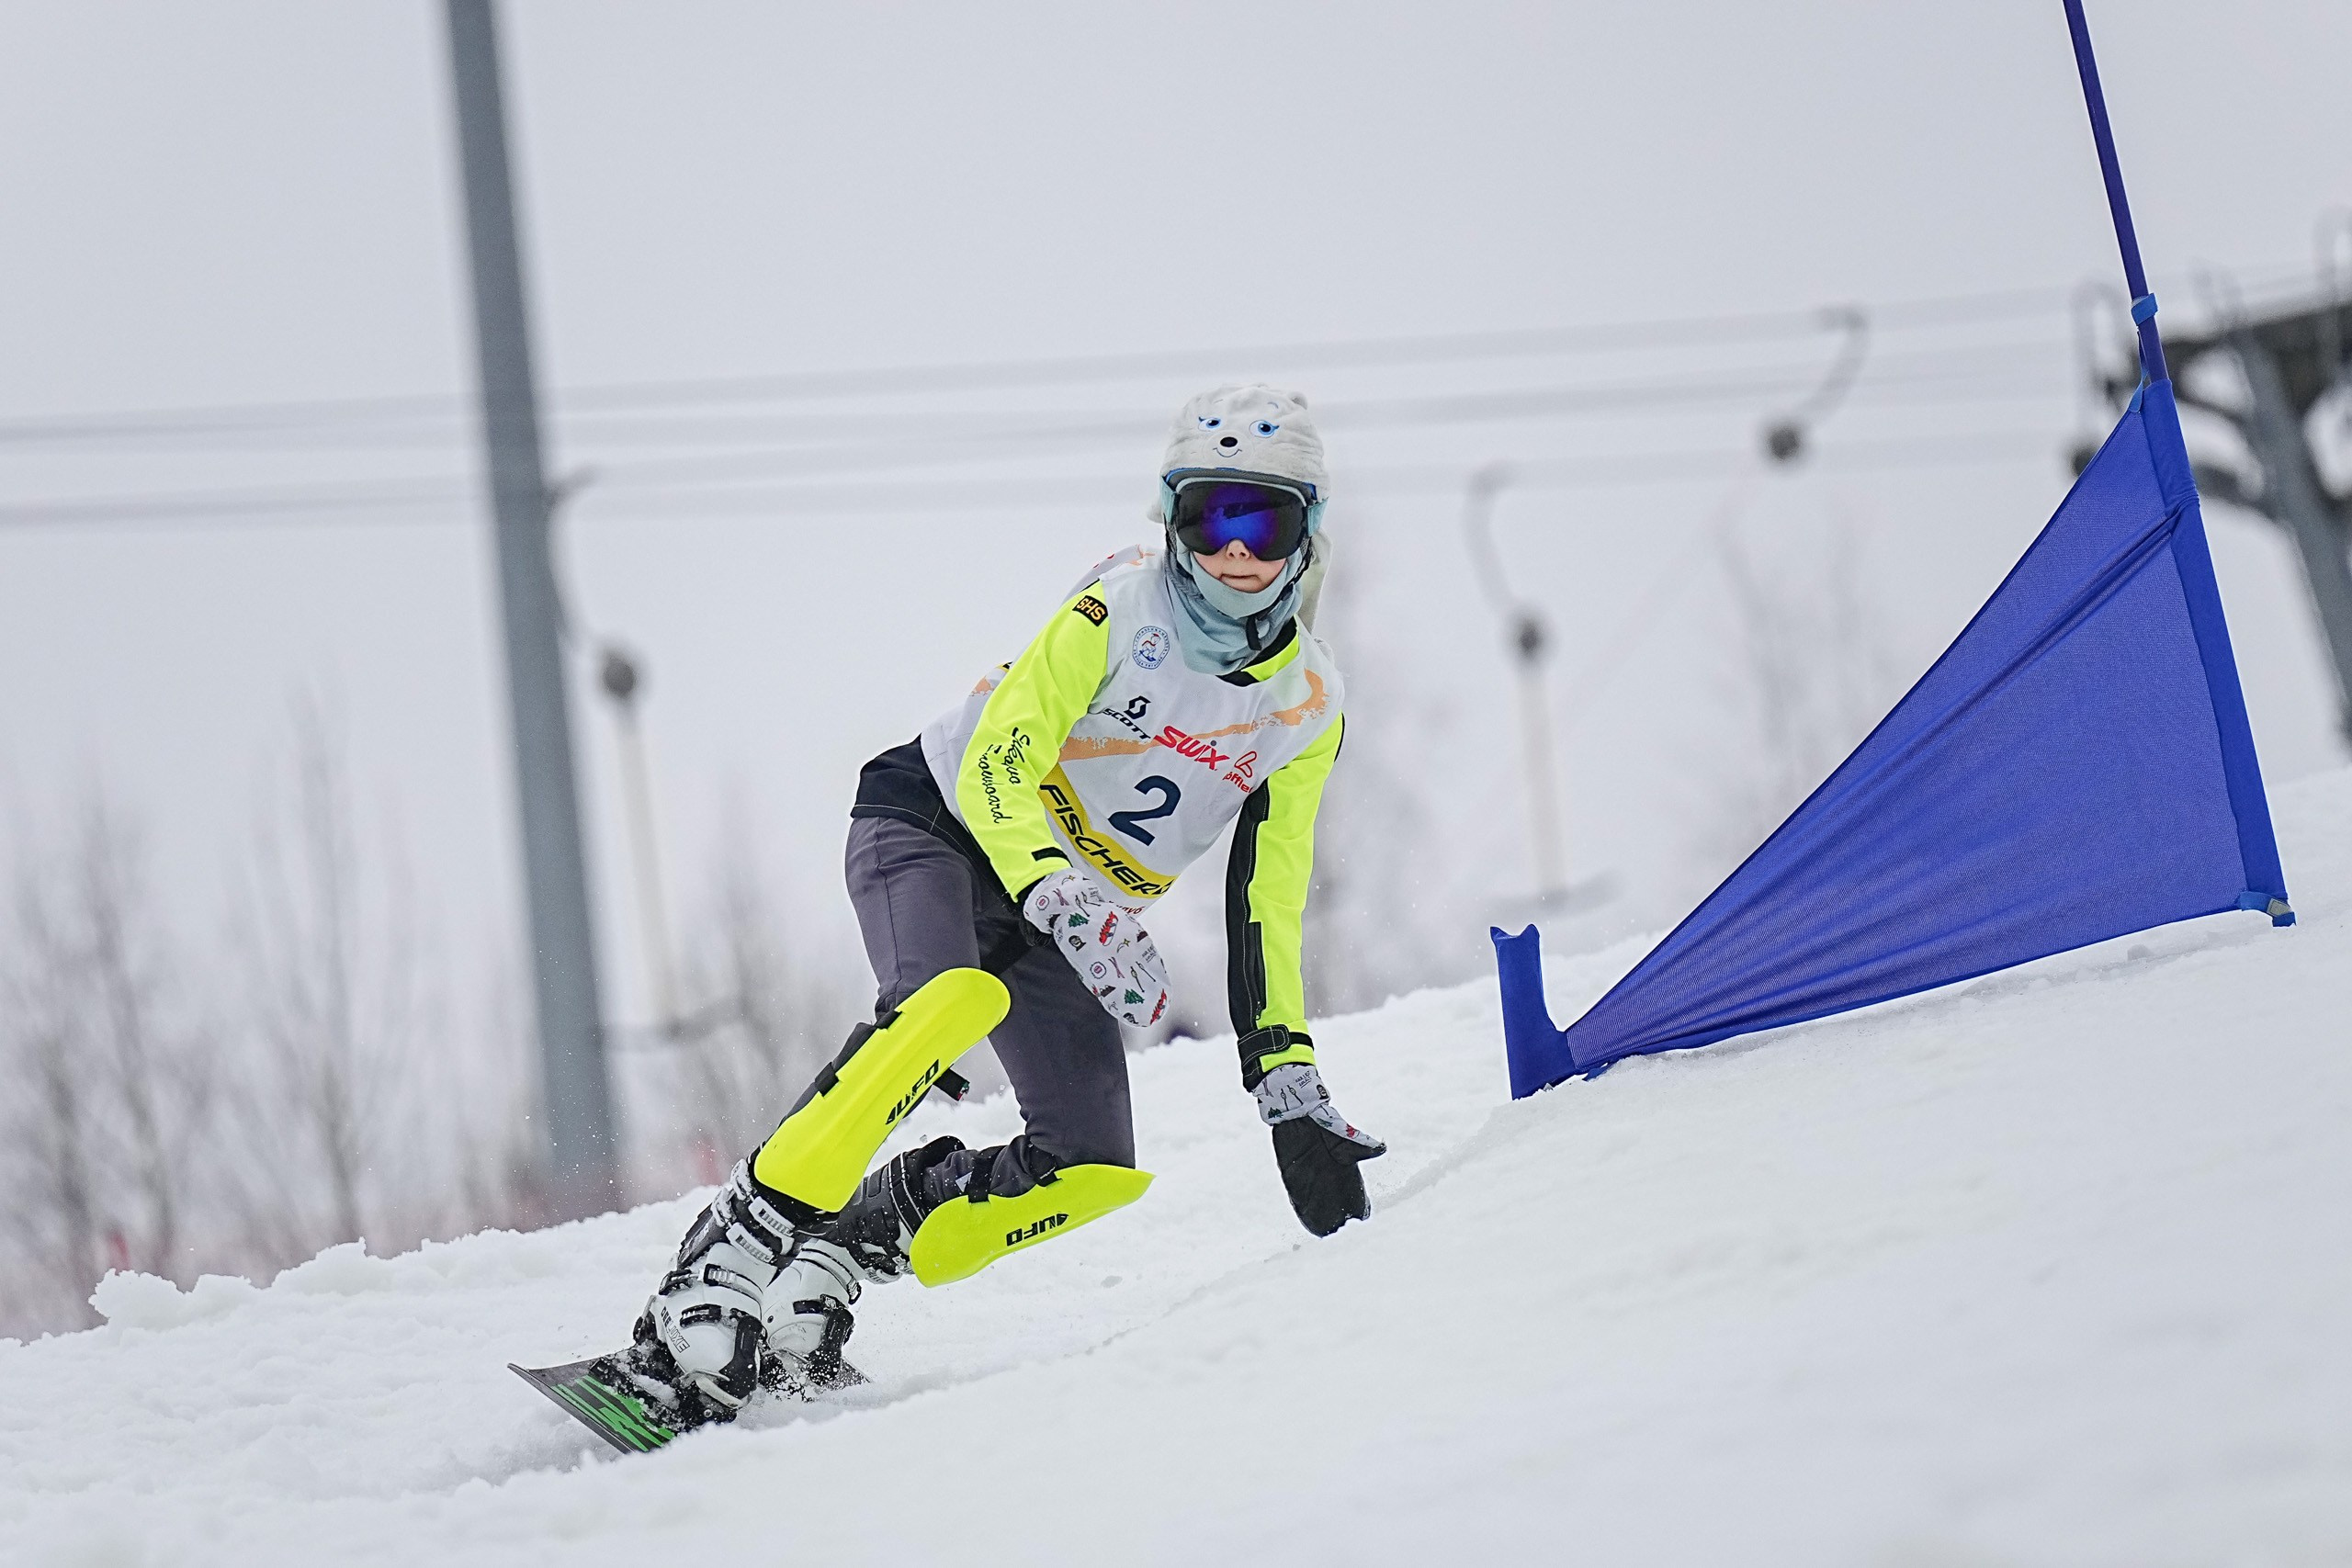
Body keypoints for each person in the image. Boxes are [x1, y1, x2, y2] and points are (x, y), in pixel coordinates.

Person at [622, 384, 1385, 1427]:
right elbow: (999, 757)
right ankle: (724, 1263)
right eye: (1211, 516)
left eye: (1268, 519)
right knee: (945, 1004)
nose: (1235, 552)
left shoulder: (1307, 704)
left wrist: (1285, 1077)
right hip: (939, 824)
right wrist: (1056, 885)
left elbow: (1267, 904)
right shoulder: (1119, 607)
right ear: (1171, 520)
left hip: (1063, 910)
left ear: (1308, 534)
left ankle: (840, 1253)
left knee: (1092, 1166)